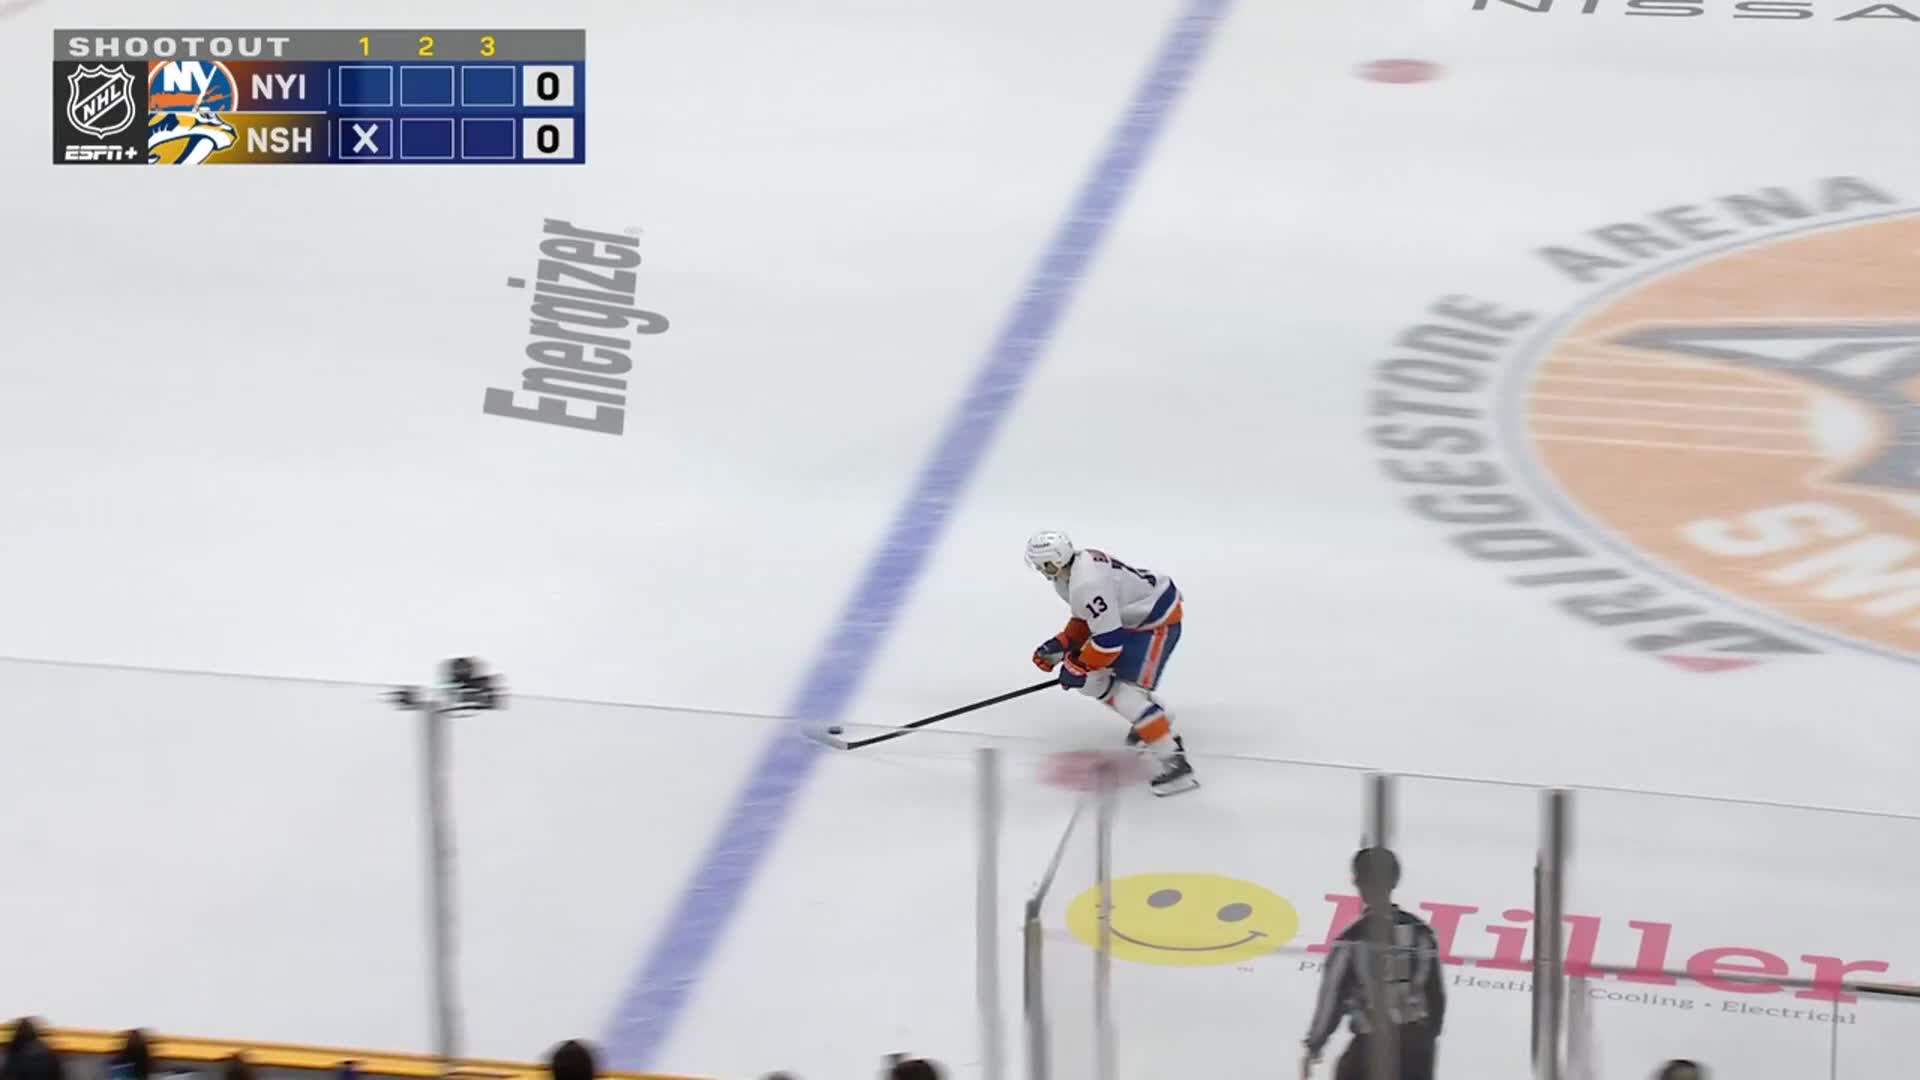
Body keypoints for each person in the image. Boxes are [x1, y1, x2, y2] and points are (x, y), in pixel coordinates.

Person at [1025, 530, 1194, 796]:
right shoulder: (1073, 571)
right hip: (1132, 621)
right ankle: (1154, 718)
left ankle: (1174, 761)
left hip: (1155, 624)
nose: (1038, 569)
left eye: (1040, 564)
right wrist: (1063, 644)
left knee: (1127, 697)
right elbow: (1088, 618)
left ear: (1053, 562)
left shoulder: (1085, 583)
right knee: (1094, 683)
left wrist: (1077, 667)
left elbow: (1109, 642)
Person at [1302, 848, 1444, 1080]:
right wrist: (1427, 1037)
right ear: (1395, 881)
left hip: (1372, 1048)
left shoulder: (1351, 941)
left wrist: (1314, 1045)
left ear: (1358, 882)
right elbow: (1435, 995)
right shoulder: (1421, 933)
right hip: (1417, 1048)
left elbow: (1331, 1001)